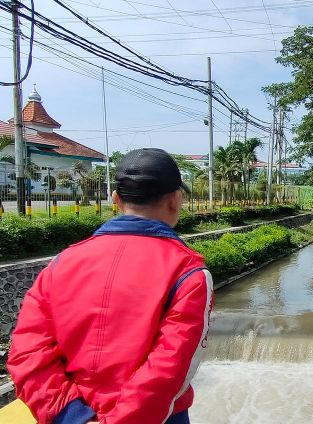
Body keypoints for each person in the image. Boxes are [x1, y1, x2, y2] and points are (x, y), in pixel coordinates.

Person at [8, 148, 213, 424]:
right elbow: (171, 368)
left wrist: (71, 415)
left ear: (116, 199)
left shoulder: (60, 263)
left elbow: (27, 351)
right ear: (176, 200)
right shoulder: (189, 273)